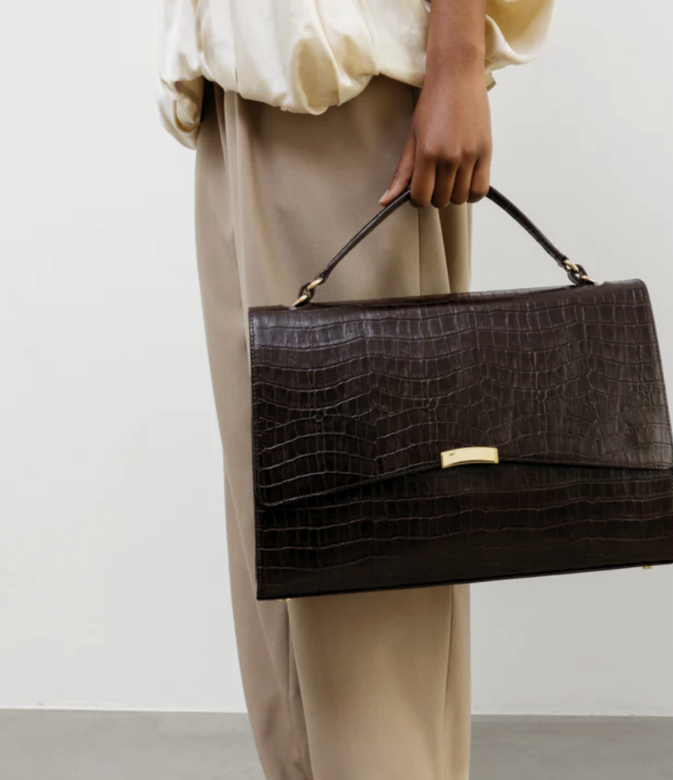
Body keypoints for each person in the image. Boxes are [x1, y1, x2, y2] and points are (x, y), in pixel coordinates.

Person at [157, 2, 555, 778]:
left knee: (368, 587)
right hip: (237, 88)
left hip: (347, 89)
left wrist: (456, 61)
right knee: (286, 606)